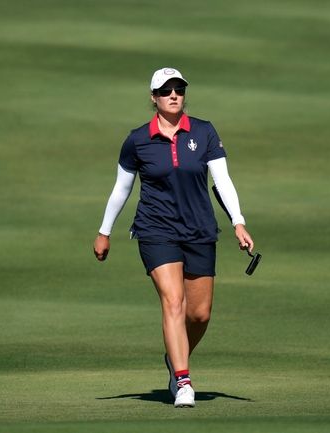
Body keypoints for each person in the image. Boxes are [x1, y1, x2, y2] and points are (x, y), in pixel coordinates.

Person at [93, 67, 253, 408]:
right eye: (165, 90)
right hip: (156, 230)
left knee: (200, 314)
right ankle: (183, 380)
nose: (173, 95)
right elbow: (122, 188)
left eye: (178, 88)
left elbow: (222, 180)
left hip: (199, 229)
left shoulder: (204, 131)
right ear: (153, 98)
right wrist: (104, 230)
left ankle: (174, 357)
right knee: (173, 302)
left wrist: (238, 222)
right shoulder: (138, 139)